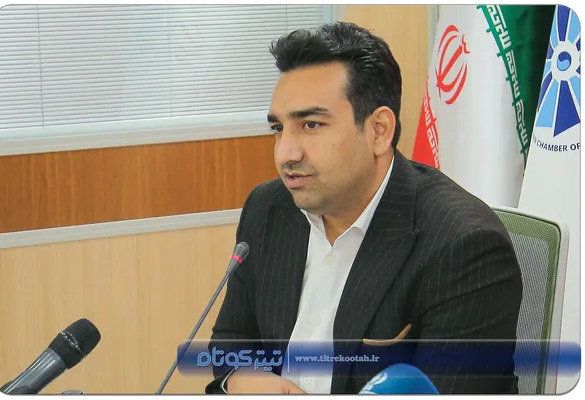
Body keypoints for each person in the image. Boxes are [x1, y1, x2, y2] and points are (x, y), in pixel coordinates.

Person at [204, 21, 523, 395]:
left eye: (311, 125)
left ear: (378, 131)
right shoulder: (269, 207)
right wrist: (242, 377)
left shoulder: (463, 246)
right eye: (278, 129)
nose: (285, 153)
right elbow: (233, 337)